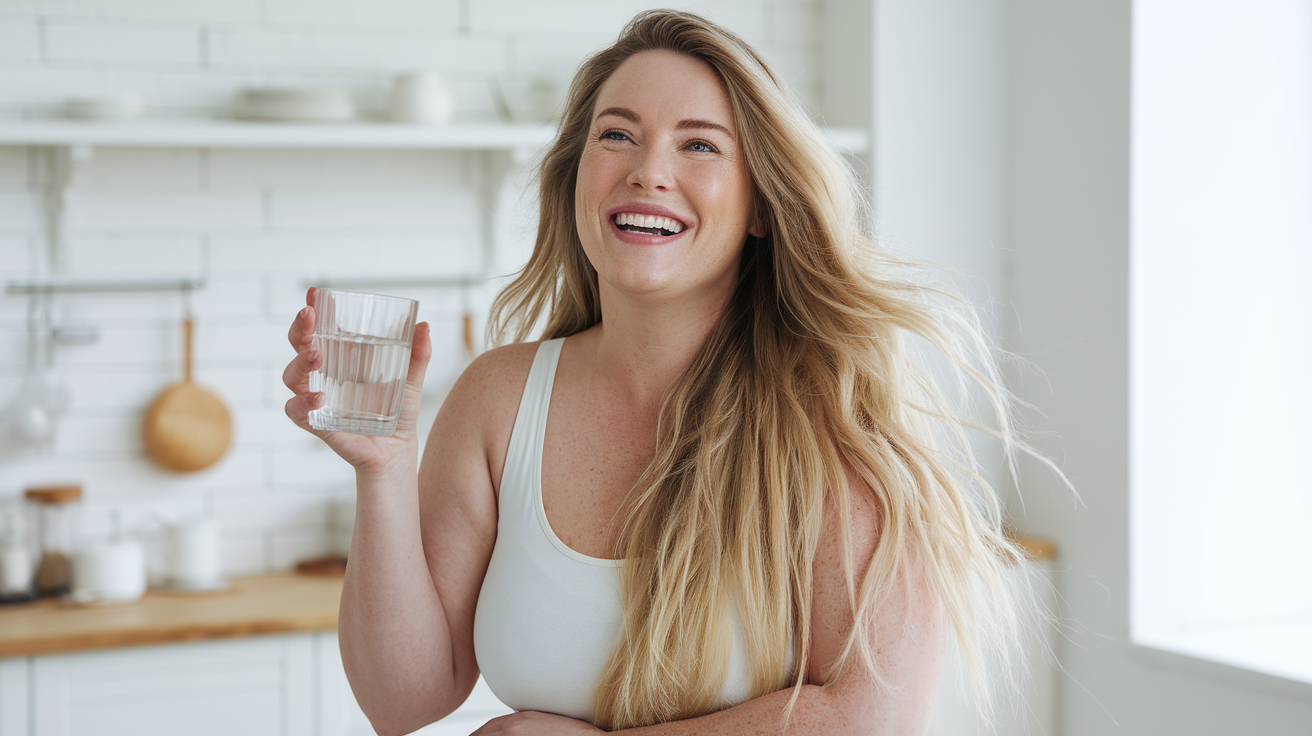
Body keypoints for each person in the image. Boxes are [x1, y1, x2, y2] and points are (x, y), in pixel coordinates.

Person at [284, 10, 1040, 736]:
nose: (648, 172)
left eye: (700, 146)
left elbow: (875, 718)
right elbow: (401, 702)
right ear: (576, 176)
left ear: (760, 207)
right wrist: (382, 473)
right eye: (617, 135)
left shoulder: (835, 420)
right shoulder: (498, 399)